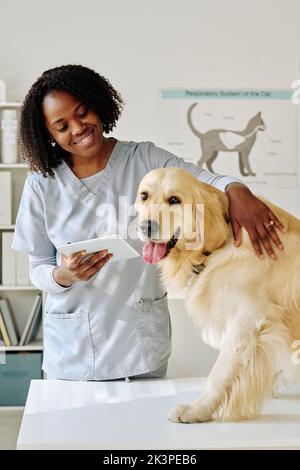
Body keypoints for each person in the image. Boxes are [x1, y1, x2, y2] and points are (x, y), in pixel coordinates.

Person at [12, 65, 284, 381]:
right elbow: (38, 269)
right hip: (72, 353)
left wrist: (238, 189)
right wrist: (64, 275)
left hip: (140, 347)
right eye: (61, 126)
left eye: (82, 112)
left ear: (97, 104)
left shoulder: (146, 160)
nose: (78, 127)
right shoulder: (41, 185)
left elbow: (205, 180)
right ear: (49, 135)